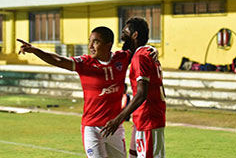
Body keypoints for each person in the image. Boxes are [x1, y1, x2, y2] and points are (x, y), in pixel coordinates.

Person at [17, 26, 158, 158]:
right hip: (92, 128)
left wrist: (151, 49)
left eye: (96, 42)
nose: (90, 46)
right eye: (89, 41)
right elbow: (59, 59)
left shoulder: (122, 58)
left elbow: (139, 49)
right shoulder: (84, 63)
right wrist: (35, 50)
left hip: (115, 127)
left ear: (108, 45)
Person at [101, 17, 166, 158]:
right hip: (144, 119)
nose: (122, 34)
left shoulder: (141, 56)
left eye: (125, 31)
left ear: (135, 35)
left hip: (148, 118)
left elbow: (142, 93)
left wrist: (118, 119)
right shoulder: (145, 53)